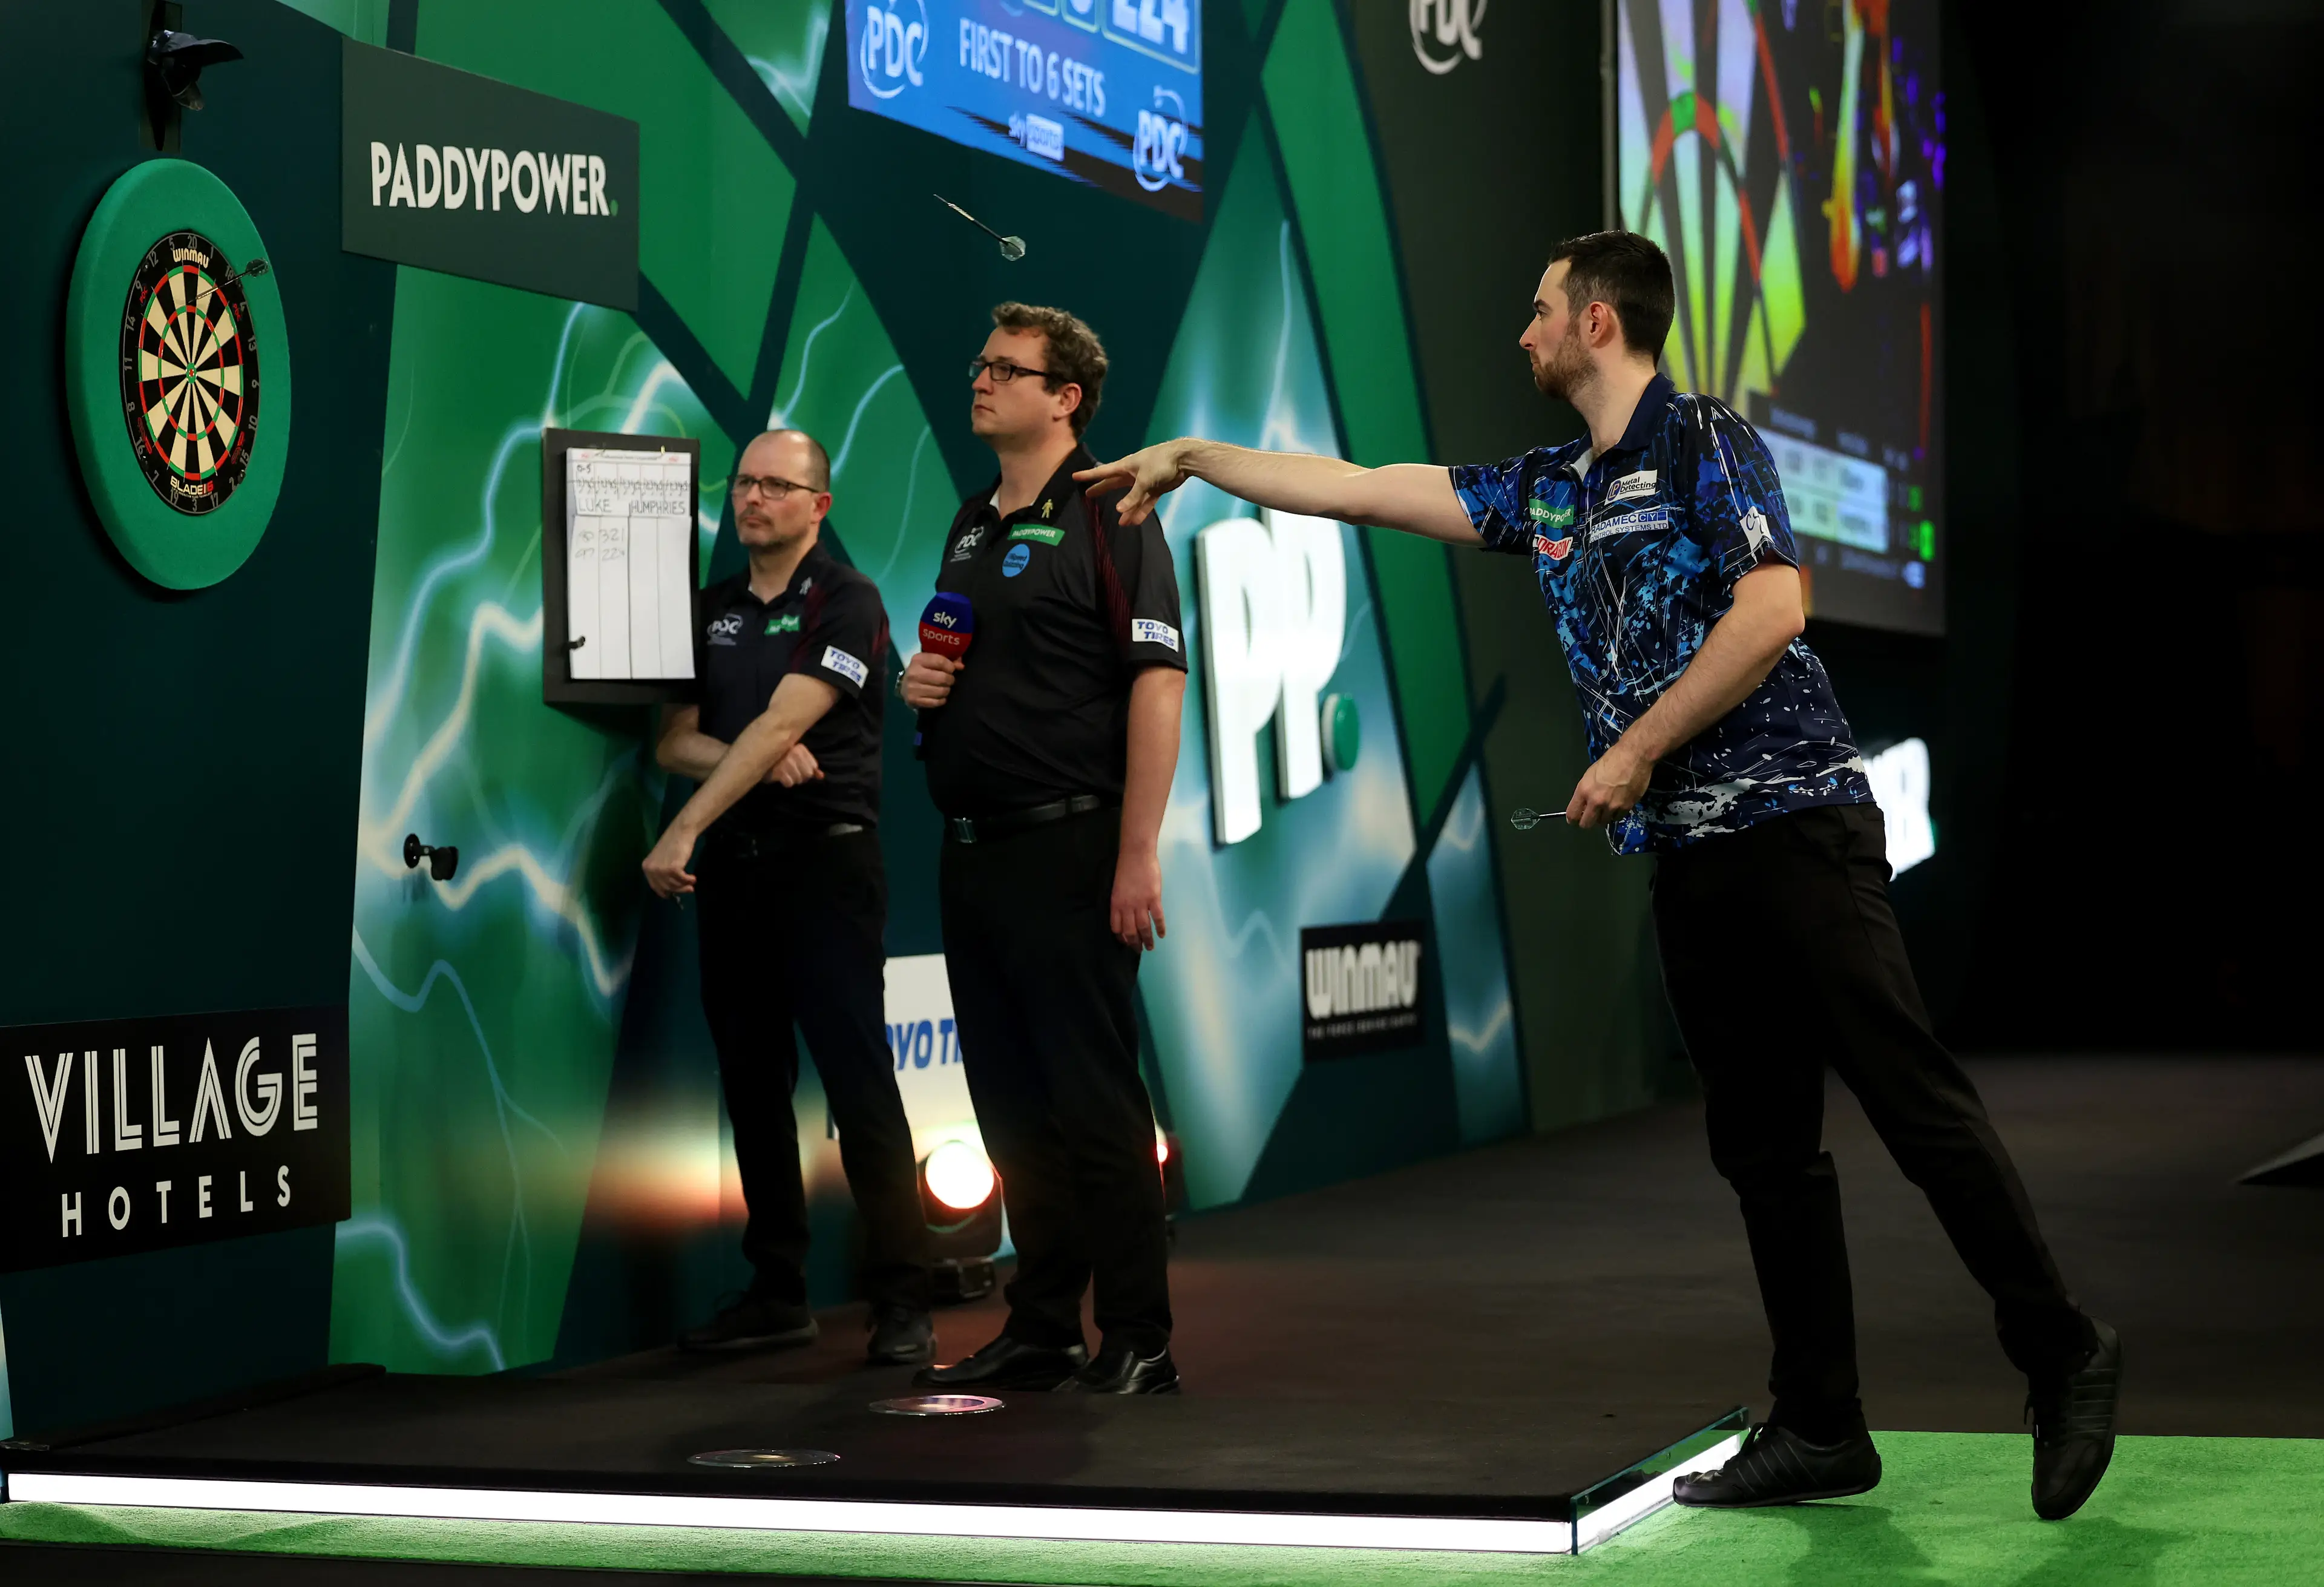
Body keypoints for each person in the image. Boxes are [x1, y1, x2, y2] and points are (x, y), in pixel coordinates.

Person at [1076, 232, 2122, 1516]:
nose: (1522, 334)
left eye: (1539, 312)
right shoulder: (1553, 490)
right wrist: (1197, 458)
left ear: (1600, 325)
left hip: (1798, 827)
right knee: (1766, 1153)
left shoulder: (1703, 439)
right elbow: (1358, 486)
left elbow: (1773, 610)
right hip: (1691, 861)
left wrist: (1633, 747)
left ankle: (2064, 1352)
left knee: (1914, 1106)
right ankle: (1823, 1425)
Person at [901, 303, 1188, 1395]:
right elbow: (962, 668)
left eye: (1005, 369)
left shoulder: (1116, 508)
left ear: (1064, 397)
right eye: (979, 364)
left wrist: (1137, 852)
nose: (980, 381)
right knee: (1011, 1106)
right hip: (972, 853)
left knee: (1095, 1102)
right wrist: (920, 689)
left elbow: (1158, 684)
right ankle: (1043, 1323)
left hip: (1073, 851)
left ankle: (1141, 1335)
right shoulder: (972, 520)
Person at [642, 427, 934, 1366]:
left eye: (777, 484)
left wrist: (688, 822)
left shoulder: (847, 601)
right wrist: (751, 763)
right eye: (745, 483)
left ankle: (903, 1300)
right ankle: (778, 1292)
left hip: (827, 867)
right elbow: (675, 741)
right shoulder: (710, 608)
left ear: (820, 505)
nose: (753, 498)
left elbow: (785, 721)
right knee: (752, 1081)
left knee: (857, 1081)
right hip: (739, 872)